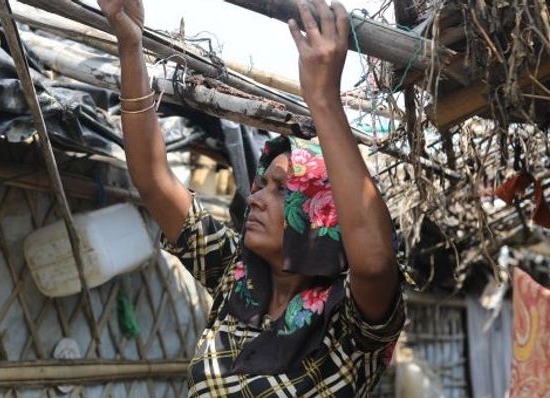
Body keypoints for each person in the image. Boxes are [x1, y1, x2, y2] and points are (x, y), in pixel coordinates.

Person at [97, 0, 404, 395]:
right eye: (261, 186)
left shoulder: (350, 322)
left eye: (281, 189)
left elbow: (376, 263)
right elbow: (154, 181)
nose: (256, 199)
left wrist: (323, 98)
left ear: (323, 215)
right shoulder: (236, 279)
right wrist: (130, 46)